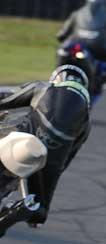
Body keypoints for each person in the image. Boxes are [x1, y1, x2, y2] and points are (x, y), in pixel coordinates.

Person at [0, 65, 91, 228]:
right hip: (46, 162)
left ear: (58, 79)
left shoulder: (44, 88)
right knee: (39, 210)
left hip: (22, 141)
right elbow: (68, 158)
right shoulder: (86, 121)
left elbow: (8, 99)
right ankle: (25, 212)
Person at [56, 0, 106, 85]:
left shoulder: (76, 13)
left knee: (61, 52)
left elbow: (61, 35)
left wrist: (64, 40)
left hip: (74, 45)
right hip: (98, 47)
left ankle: (56, 78)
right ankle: (99, 80)